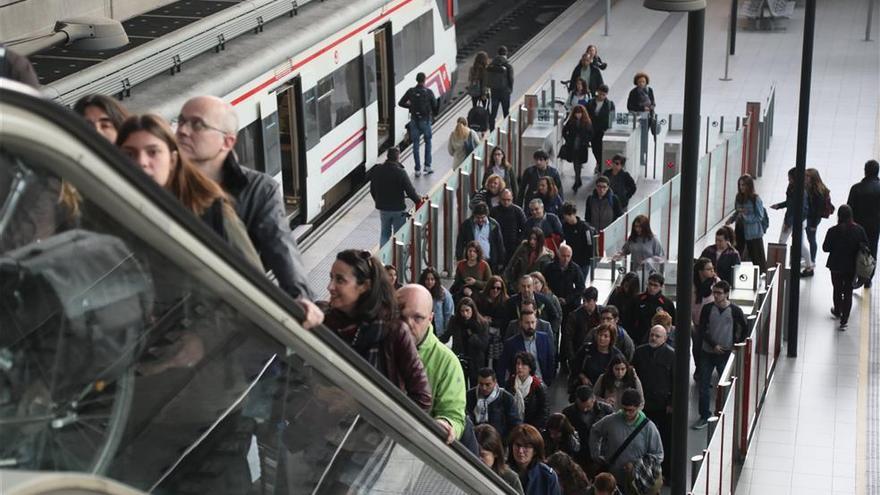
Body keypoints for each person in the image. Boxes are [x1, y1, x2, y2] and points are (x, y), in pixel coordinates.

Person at [175, 96, 319, 320]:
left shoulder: (259, 190)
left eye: (197, 125)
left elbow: (282, 248)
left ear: (228, 142)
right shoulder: (164, 180)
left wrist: (300, 298)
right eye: (181, 121)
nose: (183, 130)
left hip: (227, 316)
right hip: (171, 315)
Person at [118, 114, 261, 268]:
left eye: (153, 152)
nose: (141, 162)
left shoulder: (213, 214)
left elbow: (253, 277)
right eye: (129, 154)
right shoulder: (107, 207)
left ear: (173, 160)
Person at [323, 250, 432, 411]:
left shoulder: (394, 331)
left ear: (364, 286)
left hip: (374, 432)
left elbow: (422, 399)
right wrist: (319, 392)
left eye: (340, 280)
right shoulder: (326, 323)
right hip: (324, 427)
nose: (330, 287)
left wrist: (360, 405)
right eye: (331, 278)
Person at [397, 284, 467, 443]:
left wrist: (446, 424)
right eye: (401, 316)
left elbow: (454, 415)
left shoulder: (447, 362)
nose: (408, 324)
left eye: (417, 318)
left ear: (430, 318)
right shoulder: (377, 345)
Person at [692, 281, 748, 429]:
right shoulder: (708, 309)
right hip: (708, 352)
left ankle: (724, 413)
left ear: (727, 294)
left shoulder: (735, 310)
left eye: (719, 293)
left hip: (725, 353)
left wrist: (736, 343)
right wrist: (713, 345)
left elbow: (744, 328)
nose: (716, 296)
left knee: (725, 386)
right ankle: (704, 415)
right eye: (714, 292)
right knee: (704, 385)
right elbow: (702, 329)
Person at [589, 389, 663, 494]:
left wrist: (636, 466)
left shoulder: (649, 428)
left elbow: (658, 455)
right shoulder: (611, 421)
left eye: (631, 410)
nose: (627, 413)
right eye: (625, 409)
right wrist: (596, 454)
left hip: (636, 484)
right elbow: (595, 430)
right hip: (614, 481)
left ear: (639, 407)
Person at [631, 324, 674, 483]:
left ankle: (666, 472)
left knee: (664, 440)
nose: (653, 338)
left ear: (665, 338)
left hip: (663, 406)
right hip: (644, 404)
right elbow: (633, 376)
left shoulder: (672, 355)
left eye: (657, 336)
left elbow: (676, 381)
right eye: (652, 335)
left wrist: (671, 402)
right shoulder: (640, 352)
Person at [824, 204, 869, 329]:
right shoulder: (859, 230)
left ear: (839, 216)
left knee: (837, 289)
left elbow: (825, 248)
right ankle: (844, 320)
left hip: (836, 265)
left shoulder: (833, 231)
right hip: (851, 267)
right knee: (848, 291)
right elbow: (866, 246)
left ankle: (837, 310)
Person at [370, 146, 422, 246]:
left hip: (384, 209)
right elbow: (410, 191)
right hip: (398, 209)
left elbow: (372, 189)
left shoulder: (378, 170)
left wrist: (378, 201)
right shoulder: (401, 172)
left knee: (385, 234)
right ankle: (398, 257)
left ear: (387, 157)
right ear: (398, 158)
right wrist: (418, 201)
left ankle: (383, 258)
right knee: (399, 235)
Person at [771, 167, 814, 276]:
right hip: (793, 220)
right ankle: (809, 265)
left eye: (790, 178)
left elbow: (799, 209)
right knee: (796, 244)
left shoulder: (801, 192)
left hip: (794, 221)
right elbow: (790, 203)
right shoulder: (793, 188)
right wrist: (779, 206)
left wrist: (788, 223)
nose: (788, 180)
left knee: (785, 243)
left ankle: (778, 265)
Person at [498, 309, 557, 387]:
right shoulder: (511, 343)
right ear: (520, 323)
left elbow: (550, 359)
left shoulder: (544, 338)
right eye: (527, 323)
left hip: (541, 383)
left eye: (533, 322)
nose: (530, 326)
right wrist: (504, 386)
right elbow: (502, 367)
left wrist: (548, 381)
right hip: (519, 386)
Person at [562, 385, 614, 473]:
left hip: (601, 455)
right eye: (582, 407)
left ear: (593, 400)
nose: (585, 410)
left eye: (588, 407)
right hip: (580, 455)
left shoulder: (606, 411)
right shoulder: (568, 413)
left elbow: (612, 434)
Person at [847, 159, 880, 287]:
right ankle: (868, 278)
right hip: (875, 227)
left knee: (855, 250)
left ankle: (854, 277)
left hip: (857, 226)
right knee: (872, 251)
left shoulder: (856, 188)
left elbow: (849, 207)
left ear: (865, 171)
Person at [398, 72, 438, 176]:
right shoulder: (428, 92)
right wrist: (433, 114)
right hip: (425, 120)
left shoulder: (411, 91)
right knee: (428, 142)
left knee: (415, 144)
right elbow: (435, 104)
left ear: (416, 80)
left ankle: (417, 169)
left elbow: (400, 103)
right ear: (424, 80)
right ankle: (427, 166)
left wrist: (410, 107)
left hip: (414, 120)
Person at [443, 297, 490, 384]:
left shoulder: (482, 323)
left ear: (472, 310)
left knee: (475, 385)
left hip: (475, 361)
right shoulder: (455, 321)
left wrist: (472, 335)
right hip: (460, 357)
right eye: (462, 311)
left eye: (467, 310)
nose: (464, 314)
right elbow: (446, 336)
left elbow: (484, 344)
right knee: (459, 384)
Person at [727, 174, 768, 272]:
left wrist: (745, 217)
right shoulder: (738, 197)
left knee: (758, 258)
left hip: (753, 233)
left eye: (744, 185)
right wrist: (732, 219)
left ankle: (762, 277)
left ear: (749, 186)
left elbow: (760, 216)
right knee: (737, 254)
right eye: (740, 185)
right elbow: (738, 211)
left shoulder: (755, 199)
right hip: (740, 230)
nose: (741, 187)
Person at [569, 323, 624, 395]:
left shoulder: (616, 355)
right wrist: (582, 377)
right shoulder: (586, 349)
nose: (602, 338)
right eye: (600, 335)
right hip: (585, 388)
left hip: (605, 391)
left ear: (611, 339)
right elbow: (575, 365)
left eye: (606, 336)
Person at [508, 424, 562, 495]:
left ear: (535, 451)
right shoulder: (503, 471)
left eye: (526, 446)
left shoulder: (548, 477)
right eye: (518, 445)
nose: (520, 450)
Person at [468, 368, 522, 439]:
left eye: (488, 385)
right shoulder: (470, 395)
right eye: (481, 384)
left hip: (499, 441)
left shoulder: (506, 398)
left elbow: (515, 423)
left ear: (495, 382)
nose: (484, 388)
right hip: (475, 439)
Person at [456, 201, 506, 273]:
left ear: (487, 215)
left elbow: (499, 243)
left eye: (482, 217)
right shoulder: (467, 225)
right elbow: (460, 243)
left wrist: (501, 261)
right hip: (473, 262)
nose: (480, 220)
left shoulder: (494, 225)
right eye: (478, 217)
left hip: (490, 262)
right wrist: (459, 258)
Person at [475, 424, 526, 494]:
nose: (478, 459)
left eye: (483, 455)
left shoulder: (510, 479)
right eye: (474, 453)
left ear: (496, 453)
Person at [691, 258, 719, 380]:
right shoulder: (692, 284)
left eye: (713, 269)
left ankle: (706, 371)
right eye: (709, 269)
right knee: (697, 347)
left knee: (709, 348)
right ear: (700, 271)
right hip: (696, 324)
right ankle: (699, 368)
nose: (712, 271)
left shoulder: (716, 283)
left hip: (711, 324)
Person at [562, 287, 602, 371]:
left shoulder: (602, 313)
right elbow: (568, 338)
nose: (585, 304)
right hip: (580, 352)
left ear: (595, 301)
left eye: (588, 301)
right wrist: (572, 359)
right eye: (583, 301)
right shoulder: (574, 315)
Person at [507, 352, 550, 429]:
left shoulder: (538, 386)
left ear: (530, 368)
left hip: (532, 427)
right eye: (518, 364)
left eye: (523, 364)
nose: (519, 367)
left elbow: (544, 412)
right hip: (513, 426)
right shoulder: (510, 382)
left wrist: (530, 428)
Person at [543, 244, 585, 318]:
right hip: (552, 302)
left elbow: (581, 288)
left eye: (568, 256)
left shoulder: (575, 268)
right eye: (563, 256)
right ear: (559, 255)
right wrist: (553, 297)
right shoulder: (549, 268)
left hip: (569, 304)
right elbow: (544, 284)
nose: (566, 259)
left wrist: (567, 299)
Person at [633, 273, 676, 346]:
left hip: (660, 339)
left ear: (661, 286)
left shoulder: (666, 303)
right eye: (650, 284)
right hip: (639, 338)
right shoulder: (637, 300)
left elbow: (673, 323)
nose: (651, 287)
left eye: (655, 285)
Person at [626, 72, 656, 167]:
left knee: (644, 138)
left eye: (643, 81)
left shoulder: (649, 90)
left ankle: (643, 156)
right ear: (636, 82)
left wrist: (652, 107)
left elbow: (653, 101)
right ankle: (639, 155)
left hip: (648, 119)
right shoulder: (633, 92)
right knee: (638, 138)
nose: (642, 83)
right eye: (640, 82)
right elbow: (630, 106)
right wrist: (643, 108)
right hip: (638, 119)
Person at [493, 188, 529, 266]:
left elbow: (525, 228)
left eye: (508, 200)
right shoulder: (494, 211)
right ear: (500, 199)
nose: (506, 202)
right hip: (498, 244)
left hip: (513, 245)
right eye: (504, 200)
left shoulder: (518, 211)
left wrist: (519, 241)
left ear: (512, 198)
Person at [561, 105, 593, 193]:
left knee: (578, 163)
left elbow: (591, 133)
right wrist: (568, 139)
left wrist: (586, 141)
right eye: (576, 113)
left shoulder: (587, 122)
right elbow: (564, 131)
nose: (578, 115)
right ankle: (577, 180)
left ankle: (577, 180)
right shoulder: (571, 121)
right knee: (576, 163)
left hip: (582, 146)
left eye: (579, 113)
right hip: (573, 146)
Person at [805, 168, 832, 265]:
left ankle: (812, 260)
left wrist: (814, 225)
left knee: (811, 239)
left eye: (807, 176)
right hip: (810, 217)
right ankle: (810, 259)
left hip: (812, 219)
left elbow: (817, 210)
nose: (805, 178)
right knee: (810, 238)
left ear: (813, 178)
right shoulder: (809, 187)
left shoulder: (817, 191)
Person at [419, 266, 454, 339]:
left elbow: (448, 312)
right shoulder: (419, 291)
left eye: (432, 279)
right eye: (427, 279)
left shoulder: (443, 292)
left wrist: (446, 331)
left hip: (437, 328)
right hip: (423, 327)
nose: (430, 282)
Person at [587, 85, 616, 169]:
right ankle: (599, 163)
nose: (601, 96)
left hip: (604, 131)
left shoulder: (610, 104)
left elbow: (612, 117)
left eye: (603, 94)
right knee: (595, 149)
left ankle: (604, 165)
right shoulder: (590, 102)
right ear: (597, 92)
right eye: (600, 94)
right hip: (593, 130)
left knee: (604, 150)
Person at [486, 46, 515, 126]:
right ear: (506, 53)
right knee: (506, 112)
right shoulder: (508, 65)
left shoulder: (491, 64)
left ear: (498, 53)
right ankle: (507, 129)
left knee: (493, 112)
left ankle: (492, 130)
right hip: (505, 92)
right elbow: (511, 79)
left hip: (494, 91)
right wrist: (510, 89)